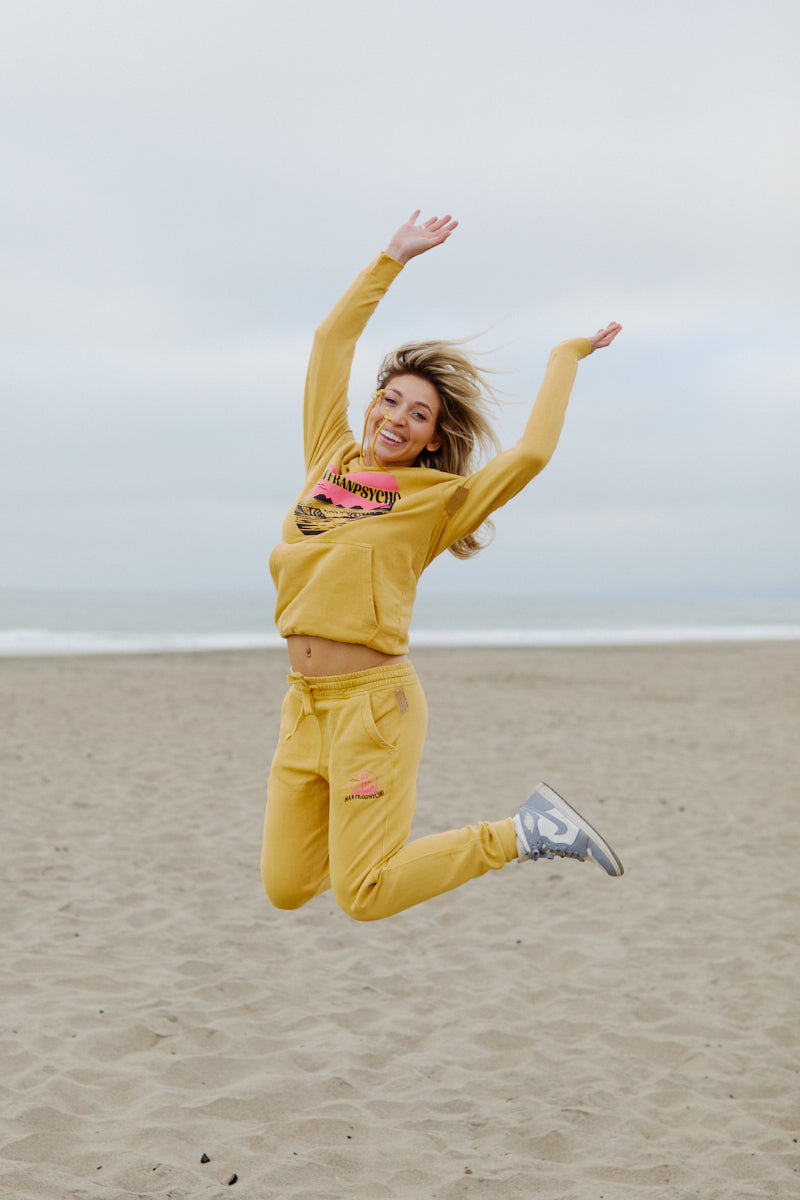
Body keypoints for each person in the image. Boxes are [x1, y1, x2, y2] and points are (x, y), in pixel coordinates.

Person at [261, 210, 623, 922]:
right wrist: (390, 260)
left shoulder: (439, 499)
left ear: (433, 437)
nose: (396, 417)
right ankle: (370, 844)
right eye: (390, 399)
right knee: (286, 887)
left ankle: (522, 833)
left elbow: (530, 456)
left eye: (417, 414)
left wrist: (566, 356)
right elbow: (331, 341)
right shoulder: (327, 457)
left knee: (362, 897)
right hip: (301, 707)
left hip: (373, 707)